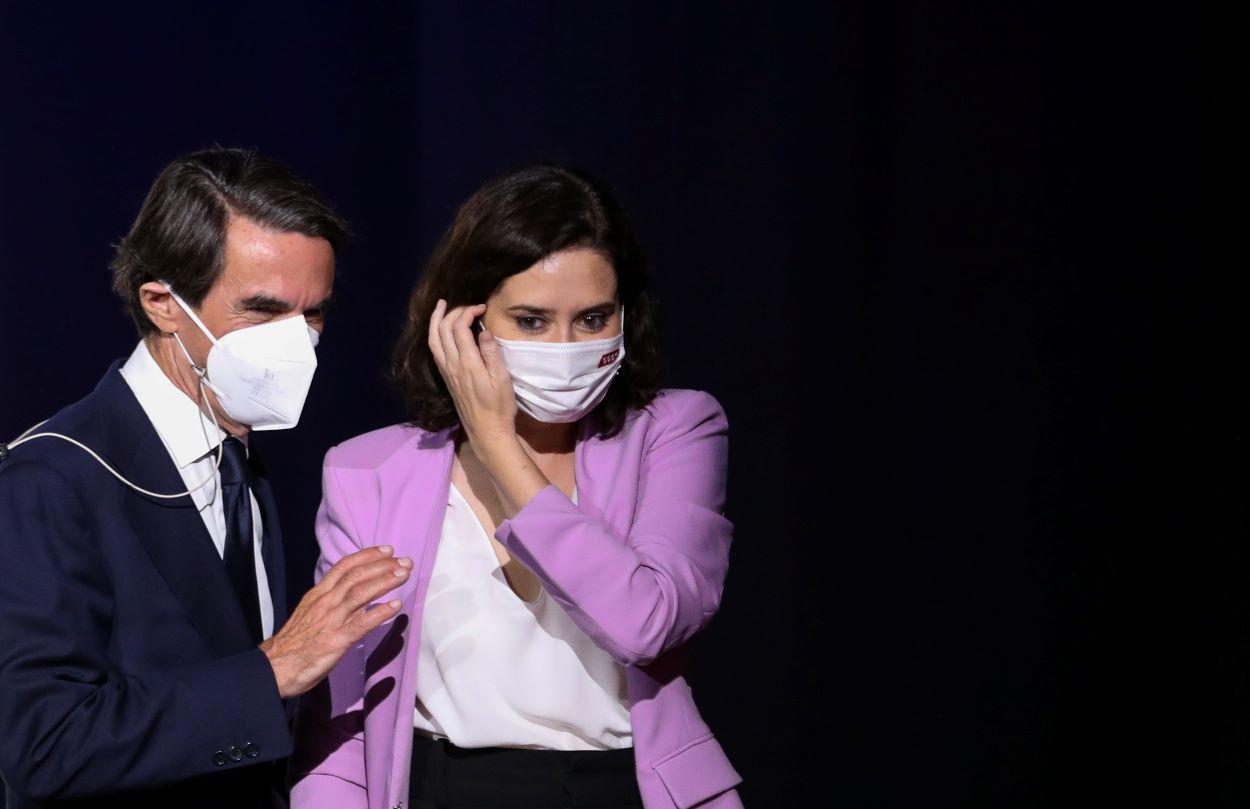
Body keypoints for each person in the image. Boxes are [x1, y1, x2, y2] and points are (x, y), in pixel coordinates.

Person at [290, 164, 743, 809]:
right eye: (531, 321)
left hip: (621, 788)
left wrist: (499, 445)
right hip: (441, 788)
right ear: (462, 322)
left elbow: (645, 623)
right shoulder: (368, 468)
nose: (565, 346)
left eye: (592, 319)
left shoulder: (674, 431)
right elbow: (340, 708)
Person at [0, 148, 412, 809]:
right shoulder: (51, 477)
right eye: (264, 309)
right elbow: (42, 744)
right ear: (164, 303)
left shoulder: (237, 452)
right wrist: (271, 670)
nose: (298, 343)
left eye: (314, 313)